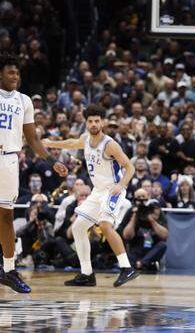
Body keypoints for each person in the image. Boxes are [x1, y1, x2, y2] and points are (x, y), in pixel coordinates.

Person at [42, 104, 139, 287]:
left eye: (97, 120)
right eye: (90, 121)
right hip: (97, 192)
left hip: (112, 190)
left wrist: (120, 185)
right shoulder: (85, 139)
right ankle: (87, 274)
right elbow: (70, 143)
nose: (94, 123)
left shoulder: (110, 144)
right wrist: (49, 143)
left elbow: (130, 167)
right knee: (78, 227)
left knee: (105, 224)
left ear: (102, 122)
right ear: (86, 123)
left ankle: (127, 268)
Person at [0, 52, 67, 293]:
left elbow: (32, 139)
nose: (15, 76)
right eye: (10, 72)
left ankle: (8, 270)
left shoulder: (24, 101)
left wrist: (52, 161)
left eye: (17, 72)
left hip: (9, 160)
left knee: (5, 217)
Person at [120, 189, 168, 271]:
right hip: (135, 248)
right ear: (134, 199)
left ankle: (140, 263)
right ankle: (141, 263)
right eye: (138, 197)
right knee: (123, 246)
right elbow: (126, 236)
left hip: (151, 249)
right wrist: (134, 217)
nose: (141, 199)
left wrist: (151, 219)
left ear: (148, 197)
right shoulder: (131, 211)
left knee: (162, 245)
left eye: (143, 197)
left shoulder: (155, 210)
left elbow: (165, 236)